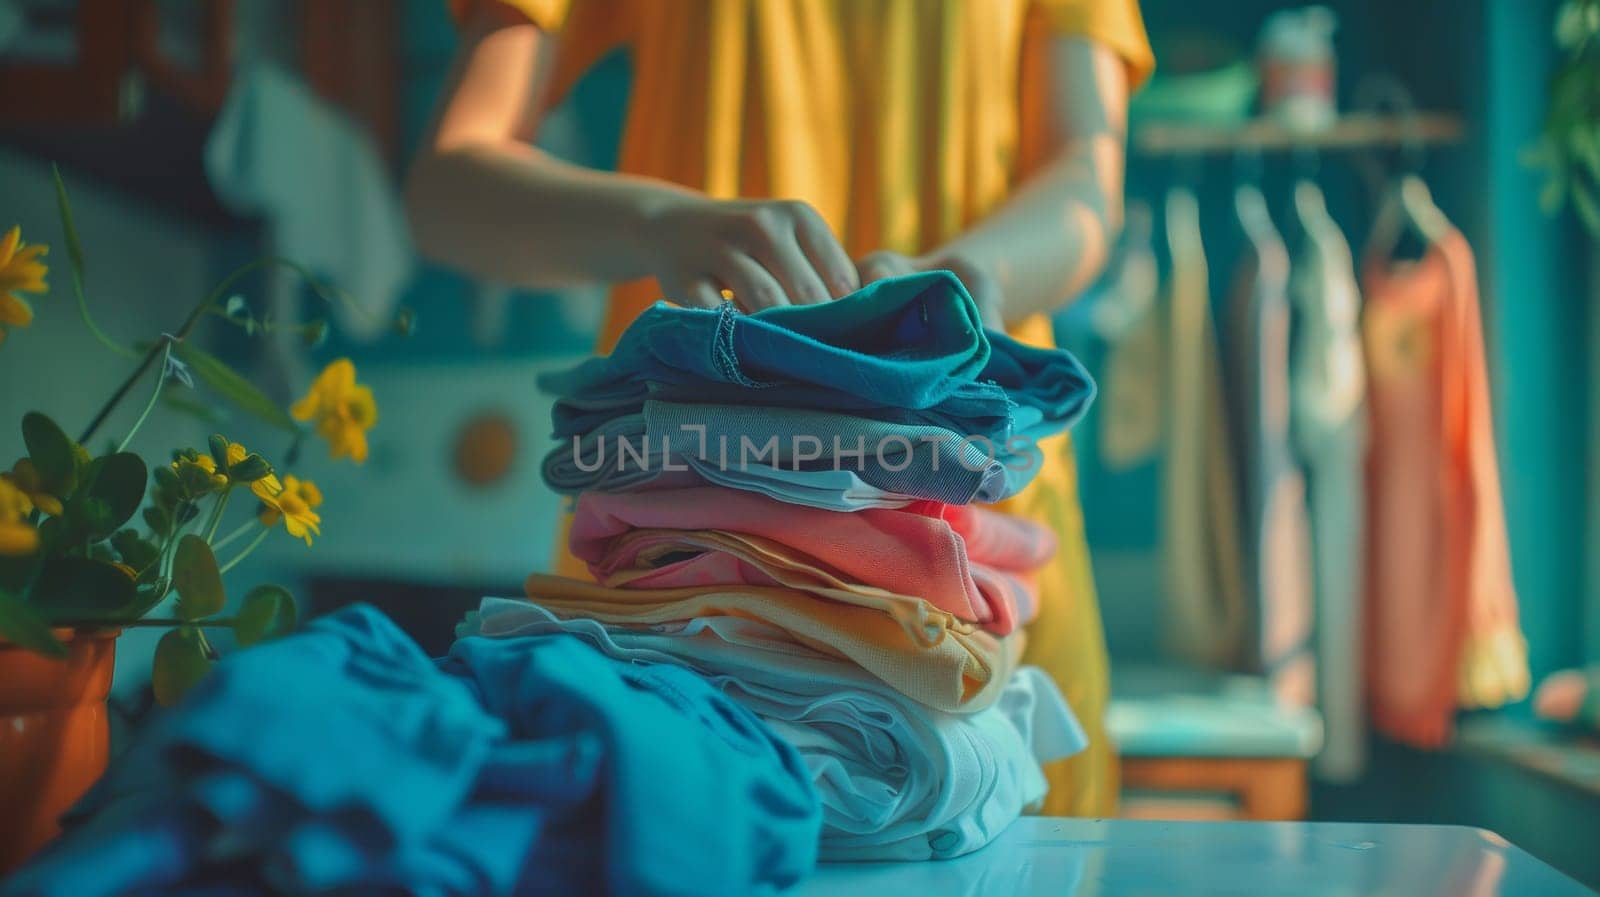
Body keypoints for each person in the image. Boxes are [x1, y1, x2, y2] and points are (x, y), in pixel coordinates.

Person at [406, 0, 1153, 817]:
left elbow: (1088, 178)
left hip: (967, 529)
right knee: (678, 824)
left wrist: (969, 281)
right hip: (674, 553)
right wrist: (660, 222)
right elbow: (449, 179)